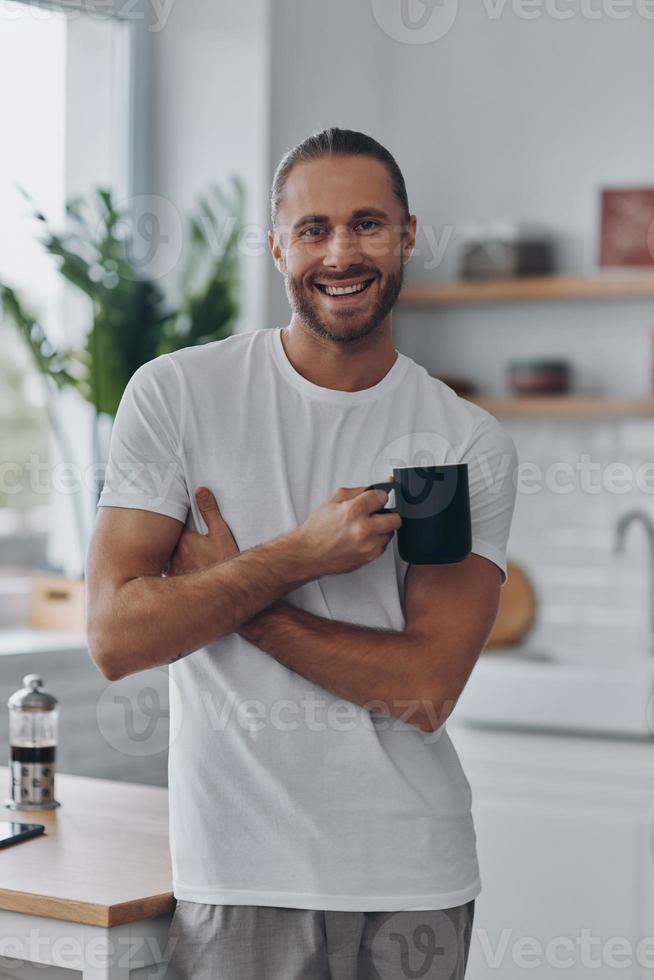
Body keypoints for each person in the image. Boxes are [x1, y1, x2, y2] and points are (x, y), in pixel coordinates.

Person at [86, 127, 518, 980]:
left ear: (407, 235)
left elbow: (425, 691)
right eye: (314, 228)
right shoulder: (179, 396)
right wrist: (296, 556)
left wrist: (240, 599)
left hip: (412, 880)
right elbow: (115, 637)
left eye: (367, 224)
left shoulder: (464, 442)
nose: (341, 252)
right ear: (277, 244)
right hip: (239, 870)